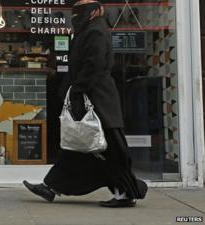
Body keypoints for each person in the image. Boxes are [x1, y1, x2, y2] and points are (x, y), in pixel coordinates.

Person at [23, 0, 147, 208]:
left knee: (111, 152)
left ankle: (128, 192)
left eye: (80, 12)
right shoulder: (90, 30)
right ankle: (51, 187)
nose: (75, 17)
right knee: (78, 149)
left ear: (95, 12)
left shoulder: (95, 32)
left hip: (99, 101)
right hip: (94, 98)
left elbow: (93, 66)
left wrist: (77, 90)